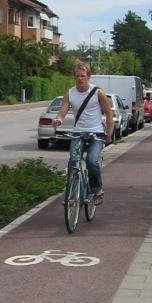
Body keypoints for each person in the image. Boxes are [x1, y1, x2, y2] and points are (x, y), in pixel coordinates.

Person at [53, 59, 113, 203]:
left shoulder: (98, 93)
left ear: (88, 77)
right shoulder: (70, 93)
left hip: (96, 134)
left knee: (92, 161)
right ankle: (71, 194)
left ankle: (97, 189)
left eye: (83, 76)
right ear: (74, 76)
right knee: (73, 161)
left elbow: (109, 113)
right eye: (77, 76)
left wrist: (109, 134)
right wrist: (59, 120)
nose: (80, 79)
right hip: (78, 133)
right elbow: (62, 112)